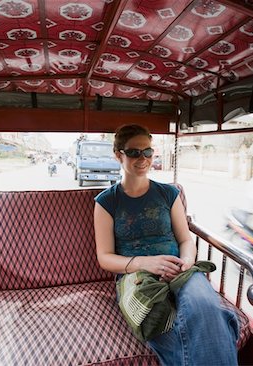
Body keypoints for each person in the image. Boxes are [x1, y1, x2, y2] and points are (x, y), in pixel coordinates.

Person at [94, 124, 239, 366]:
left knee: (205, 307)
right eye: (133, 152)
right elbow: (105, 257)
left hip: (179, 269)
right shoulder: (107, 201)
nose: (143, 159)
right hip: (136, 276)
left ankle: (219, 323)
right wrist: (146, 263)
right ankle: (224, 332)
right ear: (118, 155)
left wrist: (185, 264)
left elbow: (185, 240)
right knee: (160, 323)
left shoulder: (168, 194)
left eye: (148, 152)